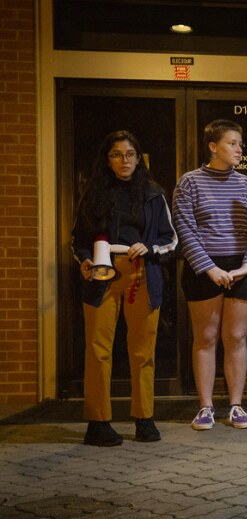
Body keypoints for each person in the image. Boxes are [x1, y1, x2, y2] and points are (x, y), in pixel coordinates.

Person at [72, 130, 177, 446]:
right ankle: (98, 422)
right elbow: (78, 238)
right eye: (116, 154)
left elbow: (170, 239)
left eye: (130, 154)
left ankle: (144, 418)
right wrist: (85, 261)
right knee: (97, 349)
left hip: (142, 273)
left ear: (138, 157)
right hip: (101, 273)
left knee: (143, 350)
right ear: (107, 159)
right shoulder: (92, 193)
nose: (124, 160)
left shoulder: (153, 193)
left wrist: (148, 247)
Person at [172, 119, 247, 431]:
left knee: (237, 337)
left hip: (242, 266)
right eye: (232, 143)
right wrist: (210, 268)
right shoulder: (189, 182)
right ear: (213, 147)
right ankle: (206, 407)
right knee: (206, 337)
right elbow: (185, 229)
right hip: (204, 267)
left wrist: (246, 266)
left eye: (241, 144)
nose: (239, 149)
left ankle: (236, 405)